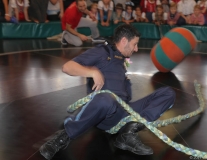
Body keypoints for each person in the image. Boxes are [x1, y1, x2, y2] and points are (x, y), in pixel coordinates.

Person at [39, 24, 176, 160]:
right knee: (107, 99)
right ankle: (62, 137)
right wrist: (92, 71)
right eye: (134, 44)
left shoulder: (122, 60)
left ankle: (128, 132)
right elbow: (67, 67)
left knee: (168, 93)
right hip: (107, 111)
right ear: (124, 41)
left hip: (124, 111)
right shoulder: (103, 52)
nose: (136, 48)